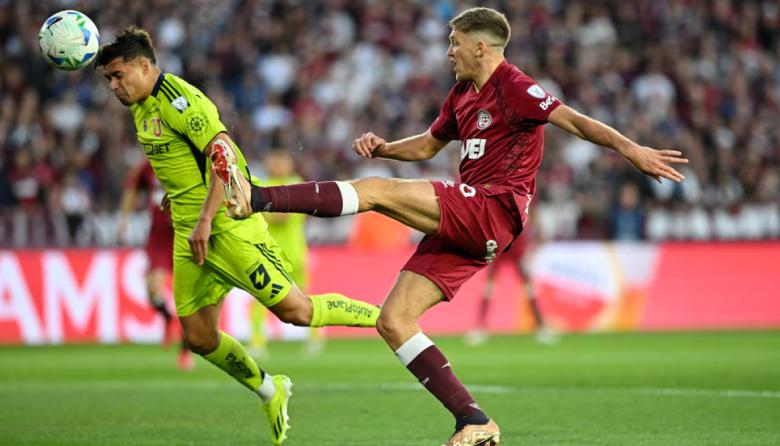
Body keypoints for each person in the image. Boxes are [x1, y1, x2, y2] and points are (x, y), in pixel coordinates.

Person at [215, 7, 688, 445]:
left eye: (455, 42)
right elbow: (426, 146)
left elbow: (578, 123)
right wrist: (384, 147)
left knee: (377, 192)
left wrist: (634, 151)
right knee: (393, 320)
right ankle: (475, 420)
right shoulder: (462, 94)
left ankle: (255, 196)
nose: (449, 51)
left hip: (493, 208)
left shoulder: (516, 86)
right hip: (469, 218)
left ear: (481, 47)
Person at [96, 27, 380, 445]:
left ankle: (385, 316)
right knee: (199, 337)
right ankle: (271, 389)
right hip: (189, 233)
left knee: (296, 312)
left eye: (118, 76)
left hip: (227, 227)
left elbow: (223, 153)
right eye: (108, 80)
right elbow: (181, 161)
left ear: (143, 66)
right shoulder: (141, 107)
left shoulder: (182, 101)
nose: (114, 86)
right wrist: (179, 199)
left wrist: (206, 217)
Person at [118, 158, 193, 370]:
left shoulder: (183, 159)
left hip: (183, 233)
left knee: (186, 298)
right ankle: (167, 317)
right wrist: (123, 218)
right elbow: (132, 189)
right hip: (158, 237)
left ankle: (185, 350)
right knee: (152, 290)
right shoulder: (147, 166)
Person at [248, 148, 324, 358]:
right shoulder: (263, 185)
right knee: (260, 296)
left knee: (305, 296)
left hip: (294, 251)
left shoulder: (294, 183)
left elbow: (281, 218)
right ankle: (257, 340)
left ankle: (315, 337)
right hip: (270, 252)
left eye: (281, 161)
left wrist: (263, 211)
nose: (277, 165)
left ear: (289, 163)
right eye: (273, 161)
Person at [464, 222, 556, 347]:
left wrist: (534, 242)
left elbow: (532, 217)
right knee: (489, 286)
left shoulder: (529, 204)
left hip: (516, 242)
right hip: (499, 241)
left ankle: (541, 328)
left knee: (528, 286)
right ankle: (480, 328)